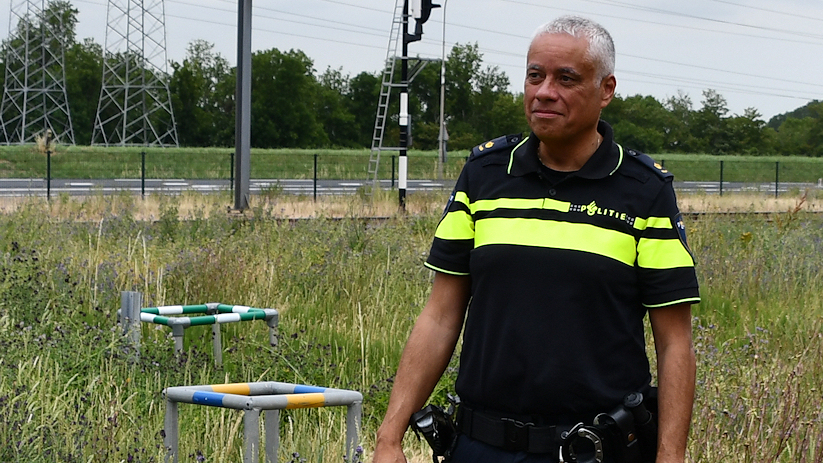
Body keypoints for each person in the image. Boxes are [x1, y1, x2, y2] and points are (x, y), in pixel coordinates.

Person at [373, 15, 699, 463]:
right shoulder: (483, 175)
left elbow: (674, 342)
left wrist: (671, 455)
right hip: (478, 448)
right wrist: (390, 434)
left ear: (606, 90)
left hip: (595, 450)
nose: (545, 91)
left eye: (567, 78)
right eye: (535, 75)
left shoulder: (644, 191)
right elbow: (440, 315)